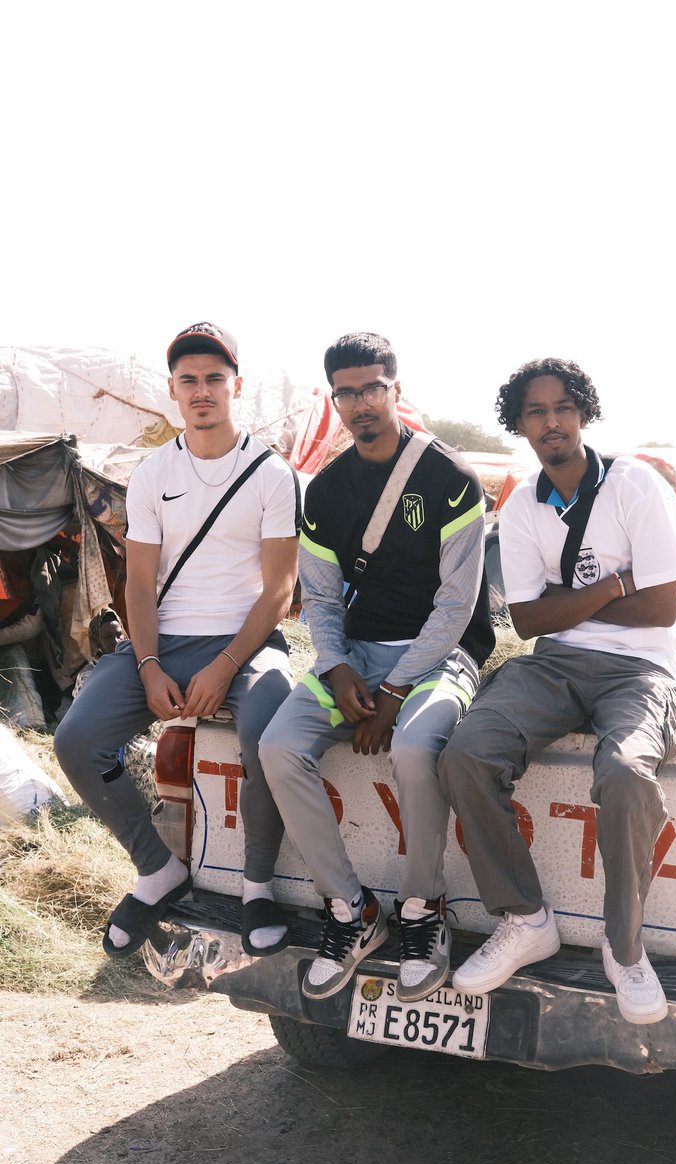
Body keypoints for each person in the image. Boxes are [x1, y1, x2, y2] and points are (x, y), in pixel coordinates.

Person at [438, 357, 676, 1024]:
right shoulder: (524, 501)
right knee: (466, 752)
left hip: (643, 669)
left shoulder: (635, 485)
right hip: (554, 665)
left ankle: (624, 946)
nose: (550, 420)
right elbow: (527, 621)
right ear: (520, 423)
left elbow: (661, 612)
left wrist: (575, 600)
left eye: (562, 407)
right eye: (536, 411)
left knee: (623, 772)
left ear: (583, 412)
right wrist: (619, 583)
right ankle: (526, 918)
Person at [259, 332, 494, 1003]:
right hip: (357, 656)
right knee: (278, 746)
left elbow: (456, 608)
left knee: (417, 748)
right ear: (333, 399)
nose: (360, 404)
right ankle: (351, 910)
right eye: (346, 393)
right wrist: (334, 667)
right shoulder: (326, 491)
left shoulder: (451, 480)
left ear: (396, 389)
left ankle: (423, 910)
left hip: (439, 655)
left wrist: (394, 691)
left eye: (372, 389)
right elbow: (323, 600)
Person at [55, 322, 300, 958]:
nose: (202, 391)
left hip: (245, 641)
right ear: (172, 390)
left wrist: (223, 667)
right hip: (163, 637)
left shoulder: (273, 474)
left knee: (269, 734)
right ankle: (158, 869)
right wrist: (147, 665)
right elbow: (138, 586)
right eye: (188, 380)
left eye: (214, 379)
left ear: (235, 386)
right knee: (76, 740)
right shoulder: (151, 473)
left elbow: (278, 592)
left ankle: (256, 886)